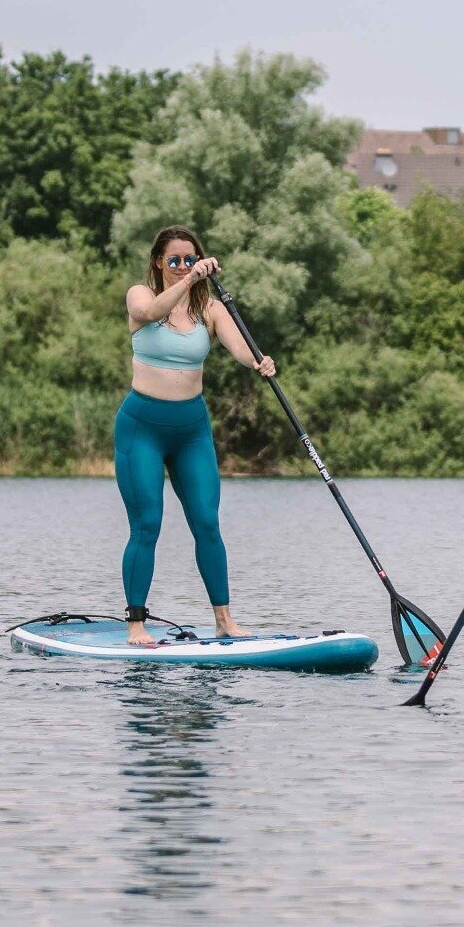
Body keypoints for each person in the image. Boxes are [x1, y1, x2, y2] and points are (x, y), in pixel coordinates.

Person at [116, 225, 277, 645]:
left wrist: (257, 362)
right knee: (147, 524)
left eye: (191, 259)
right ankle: (136, 623)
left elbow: (238, 345)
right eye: (175, 260)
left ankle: (224, 619)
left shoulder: (210, 308)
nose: (184, 266)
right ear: (158, 262)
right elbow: (151, 315)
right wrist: (188, 281)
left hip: (191, 430)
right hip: (142, 428)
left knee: (207, 523)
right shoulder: (141, 296)